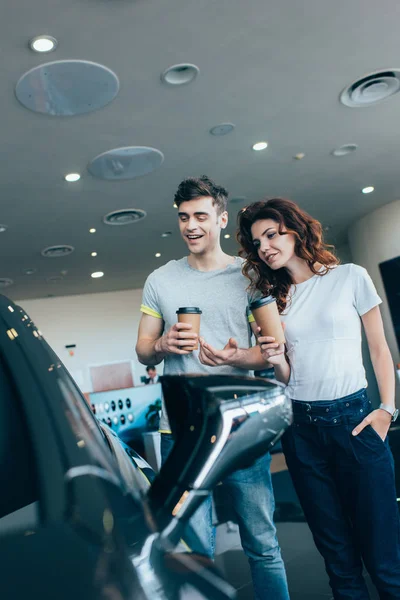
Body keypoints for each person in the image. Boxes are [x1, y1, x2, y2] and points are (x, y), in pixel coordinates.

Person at [237, 197, 400, 599]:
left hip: (356, 421)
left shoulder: (350, 277)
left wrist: (387, 410)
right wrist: (275, 359)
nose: (265, 247)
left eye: (271, 235)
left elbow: (379, 349)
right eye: (257, 243)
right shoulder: (274, 301)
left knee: (384, 559)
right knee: (338, 561)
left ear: (295, 230)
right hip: (302, 432)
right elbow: (291, 374)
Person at [136, 176, 290, 600]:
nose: (191, 225)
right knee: (192, 551)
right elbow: (143, 350)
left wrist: (238, 357)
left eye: (201, 216)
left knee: (262, 543)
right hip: (181, 431)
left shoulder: (250, 276)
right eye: (184, 217)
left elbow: (272, 351)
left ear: (221, 219)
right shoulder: (160, 280)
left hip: (241, 423)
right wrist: (163, 344)